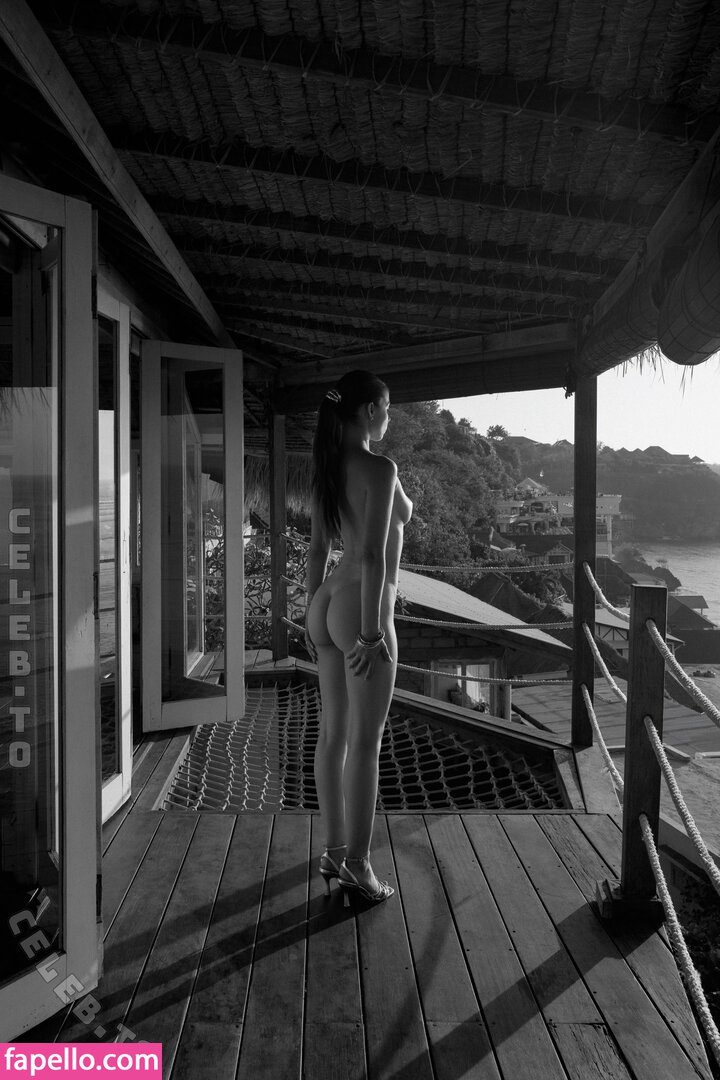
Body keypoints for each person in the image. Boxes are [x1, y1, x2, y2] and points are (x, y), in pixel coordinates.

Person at [305, 370, 412, 905]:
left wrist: (310, 613)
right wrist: (371, 633)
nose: (389, 417)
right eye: (387, 408)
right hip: (361, 607)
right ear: (370, 410)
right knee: (366, 745)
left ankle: (333, 850)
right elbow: (372, 555)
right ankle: (359, 866)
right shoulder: (379, 468)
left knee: (333, 737)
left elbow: (318, 548)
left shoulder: (329, 466)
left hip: (327, 600)